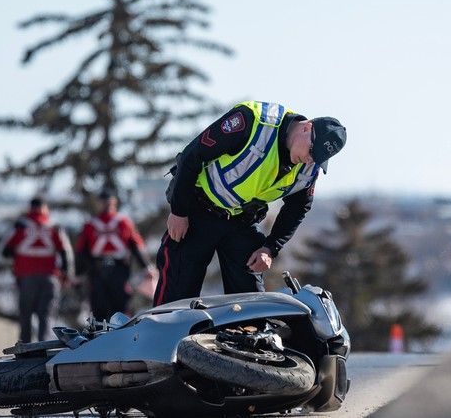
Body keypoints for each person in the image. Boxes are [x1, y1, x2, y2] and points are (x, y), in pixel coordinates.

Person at [153, 101, 346, 306]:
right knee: (175, 300)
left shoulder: (310, 167)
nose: (309, 160)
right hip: (197, 211)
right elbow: (193, 155)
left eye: (317, 159)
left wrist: (270, 248)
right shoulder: (252, 121)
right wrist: (179, 211)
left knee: (251, 305)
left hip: (241, 222)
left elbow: (298, 208)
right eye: (311, 151)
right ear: (306, 128)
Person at [0, 197, 74, 343]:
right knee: (46, 314)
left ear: (31, 208)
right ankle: (44, 347)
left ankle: (26, 349)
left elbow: (4, 251)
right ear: (45, 208)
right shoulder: (54, 226)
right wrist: (67, 275)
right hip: (50, 278)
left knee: (25, 315)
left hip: (26, 278)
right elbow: (66, 252)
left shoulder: (20, 226)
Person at [75, 190, 155, 321]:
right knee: (113, 308)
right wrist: (146, 267)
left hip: (109, 270)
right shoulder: (121, 222)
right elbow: (136, 246)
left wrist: (146, 267)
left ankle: (103, 338)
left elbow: (81, 251)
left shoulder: (93, 224)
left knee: (108, 308)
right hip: (105, 270)